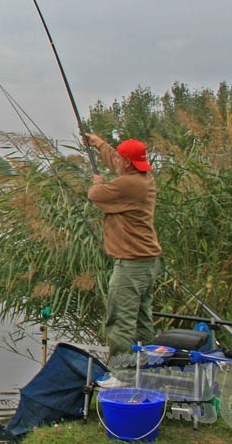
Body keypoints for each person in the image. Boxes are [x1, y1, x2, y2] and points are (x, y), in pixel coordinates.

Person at [85, 133, 162, 362]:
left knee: (120, 320)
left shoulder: (128, 184)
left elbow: (95, 194)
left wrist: (98, 182)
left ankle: (121, 374)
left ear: (127, 162)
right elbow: (117, 163)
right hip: (146, 262)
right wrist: (99, 144)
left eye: (120, 158)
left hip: (131, 264)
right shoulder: (142, 177)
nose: (115, 161)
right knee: (141, 318)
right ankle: (147, 365)